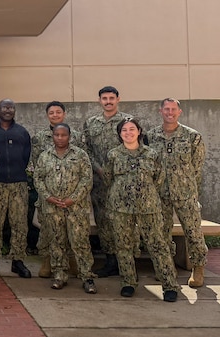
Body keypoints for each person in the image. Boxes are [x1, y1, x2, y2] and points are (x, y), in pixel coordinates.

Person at [104, 118, 180, 302]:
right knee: (123, 246)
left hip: (148, 208)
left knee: (158, 245)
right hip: (120, 208)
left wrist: (144, 194)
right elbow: (108, 178)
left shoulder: (152, 154)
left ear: (139, 132)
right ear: (119, 134)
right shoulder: (113, 155)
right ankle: (128, 282)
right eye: (124, 130)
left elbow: (159, 179)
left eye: (132, 129)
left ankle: (169, 285)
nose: (128, 133)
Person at [146, 98, 207, 288]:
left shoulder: (192, 136)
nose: (169, 112)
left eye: (173, 109)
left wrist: (189, 189)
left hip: (185, 193)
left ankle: (198, 267)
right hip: (160, 193)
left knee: (193, 231)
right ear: (160, 111)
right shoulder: (151, 136)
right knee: (161, 232)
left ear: (179, 112)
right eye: (166, 109)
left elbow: (197, 166)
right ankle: (166, 267)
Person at [33, 124, 97, 293]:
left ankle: (87, 276)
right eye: (57, 135)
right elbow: (38, 179)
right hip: (52, 208)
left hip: (76, 208)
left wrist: (72, 199)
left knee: (80, 242)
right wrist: (48, 196)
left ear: (69, 136)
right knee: (57, 242)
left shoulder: (80, 155)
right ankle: (59, 274)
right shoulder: (45, 156)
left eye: (63, 135)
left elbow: (87, 179)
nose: (60, 138)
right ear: (52, 136)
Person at [31, 101, 86, 278]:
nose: (55, 115)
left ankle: (71, 261)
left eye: (58, 112)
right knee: (48, 229)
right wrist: (47, 194)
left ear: (64, 113)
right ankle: (48, 260)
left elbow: (83, 166)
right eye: (51, 113)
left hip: (72, 195)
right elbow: (36, 164)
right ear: (47, 115)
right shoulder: (39, 137)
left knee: (73, 232)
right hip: (48, 193)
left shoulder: (76, 136)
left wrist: (75, 194)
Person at [82, 86, 132, 278]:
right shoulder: (91, 123)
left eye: (112, 98)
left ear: (118, 99)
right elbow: (86, 150)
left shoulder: (127, 122)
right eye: (105, 98)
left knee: (124, 221)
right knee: (103, 221)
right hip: (100, 182)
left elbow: (134, 146)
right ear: (99, 101)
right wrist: (99, 168)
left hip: (122, 181)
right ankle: (111, 261)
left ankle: (126, 262)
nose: (108, 101)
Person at [0, 99, 32, 279]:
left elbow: (26, 157)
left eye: (11, 108)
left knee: (19, 224)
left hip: (18, 184)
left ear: (14, 110)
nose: (8, 110)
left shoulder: (22, 132)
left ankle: (17, 261)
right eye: (5, 107)